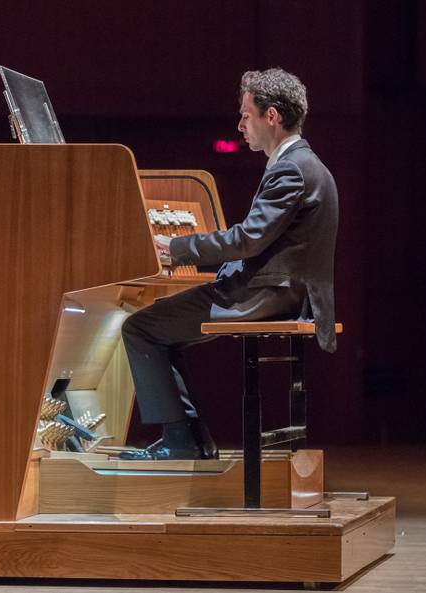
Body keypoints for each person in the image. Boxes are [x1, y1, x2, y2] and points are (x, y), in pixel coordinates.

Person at [120, 68, 339, 461]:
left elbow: (246, 239)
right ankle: (193, 439)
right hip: (280, 291)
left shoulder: (292, 168)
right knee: (160, 327)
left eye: (245, 115)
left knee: (140, 328)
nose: (240, 126)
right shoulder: (308, 164)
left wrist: (177, 247)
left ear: (271, 116)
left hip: (262, 295)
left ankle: (181, 440)